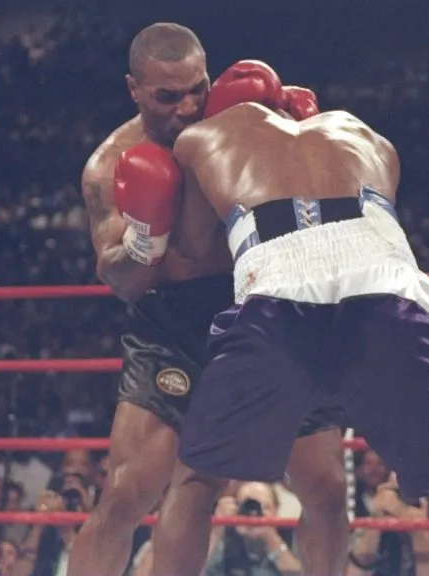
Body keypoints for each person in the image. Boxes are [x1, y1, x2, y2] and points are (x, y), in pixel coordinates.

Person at [149, 59, 429, 576]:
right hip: (389, 290)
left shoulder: (202, 139)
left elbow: (187, 254)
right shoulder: (370, 137)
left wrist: (142, 232)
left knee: (196, 483)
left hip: (277, 289)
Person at [70, 24, 349, 575]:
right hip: (175, 323)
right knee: (131, 493)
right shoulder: (111, 165)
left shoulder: (246, 123)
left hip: (267, 304)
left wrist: (301, 133)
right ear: (134, 89)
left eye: (196, 89)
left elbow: (325, 197)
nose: (187, 107)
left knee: (326, 484)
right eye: (166, 97)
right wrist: (145, 238)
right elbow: (123, 281)